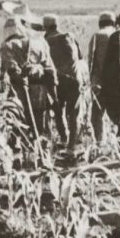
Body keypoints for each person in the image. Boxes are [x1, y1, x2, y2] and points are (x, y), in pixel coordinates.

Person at [0, 17, 59, 140]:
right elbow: (50, 70)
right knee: (41, 124)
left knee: (22, 125)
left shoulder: (7, 45)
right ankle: (43, 152)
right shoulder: (40, 43)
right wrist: (53, 94)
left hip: (20, 92)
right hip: (40, 91)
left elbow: (10, 69)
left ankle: (27, 153)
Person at [42, 13, 83, 149]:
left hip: (57, 81)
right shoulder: (69, 37)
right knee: (73, 114)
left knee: (58, 111)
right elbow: (80, 57)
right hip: (74, 80)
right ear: (57, 25)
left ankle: (64, 139)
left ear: (45, 27)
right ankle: (72, 145)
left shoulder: (45, 41)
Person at [88, 11, 117, 142]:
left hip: (99, 82)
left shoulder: (97, 36)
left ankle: (101, 142)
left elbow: (91, 60)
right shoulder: (119, 35)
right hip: (117, 83)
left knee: (96, 115)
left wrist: (91, 81)